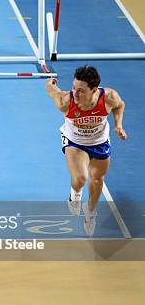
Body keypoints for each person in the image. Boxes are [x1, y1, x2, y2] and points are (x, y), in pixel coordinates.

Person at [45, 65, 126, 235]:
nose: (75, 93)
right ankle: (74, 196)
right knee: (81, 178)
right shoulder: (66, 102)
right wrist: (50, 83)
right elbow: (52, 91)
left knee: (97, 180)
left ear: (94, 90)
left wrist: (118, 125)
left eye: (81, 90)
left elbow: (120, 106)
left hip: (100, 142)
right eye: (74, 88)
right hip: (75, 142)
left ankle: (90, 212)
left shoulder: (109, 97)